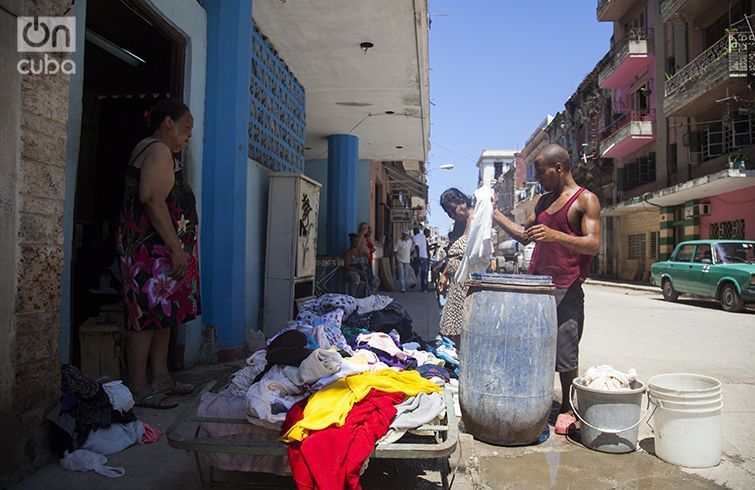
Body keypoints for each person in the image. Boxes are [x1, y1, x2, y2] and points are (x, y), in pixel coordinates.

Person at [491, 144, 601, 435]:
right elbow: (525, 237)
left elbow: (593, 244)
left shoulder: (585, 200)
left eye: (542, 172)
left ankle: (567, 407)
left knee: (565, 350)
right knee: (532, 345)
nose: (538, 178)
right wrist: (495, 215)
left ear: (560, 168)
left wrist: (555, 235)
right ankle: (537, 397)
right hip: (536, 286)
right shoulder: (542, 202)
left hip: (567, 285)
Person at [116, 99, 200, 409]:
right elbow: (151, 198)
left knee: (163, 315)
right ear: (167, 123)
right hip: (150, 252)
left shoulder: (160, 151)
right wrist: (177, 250)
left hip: (159, 252)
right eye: (186, 128)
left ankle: (161, 377)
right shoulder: (158, 150)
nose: (188, 135)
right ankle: (138, 385)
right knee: (144, 317)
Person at [437, 188, 474, 347]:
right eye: (448, 212)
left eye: (453, 210)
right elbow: (452, 254)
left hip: (467, 283)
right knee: (450, 328)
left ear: (463, 202)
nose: (451, 215)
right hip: (454, 284)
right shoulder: (459, 224)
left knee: (463, 328)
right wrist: (444, 274)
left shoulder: (477, 219)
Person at [412, 227, 429, 292]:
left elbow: (416, 246)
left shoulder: (415, 237)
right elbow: (424, 247)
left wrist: (418, 256)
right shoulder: (423, 236)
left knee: (415, 271)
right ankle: (424, 288)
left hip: (417, 257)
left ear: (414, 232)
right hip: (424, 257)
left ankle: (413, 282)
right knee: (424, 273)